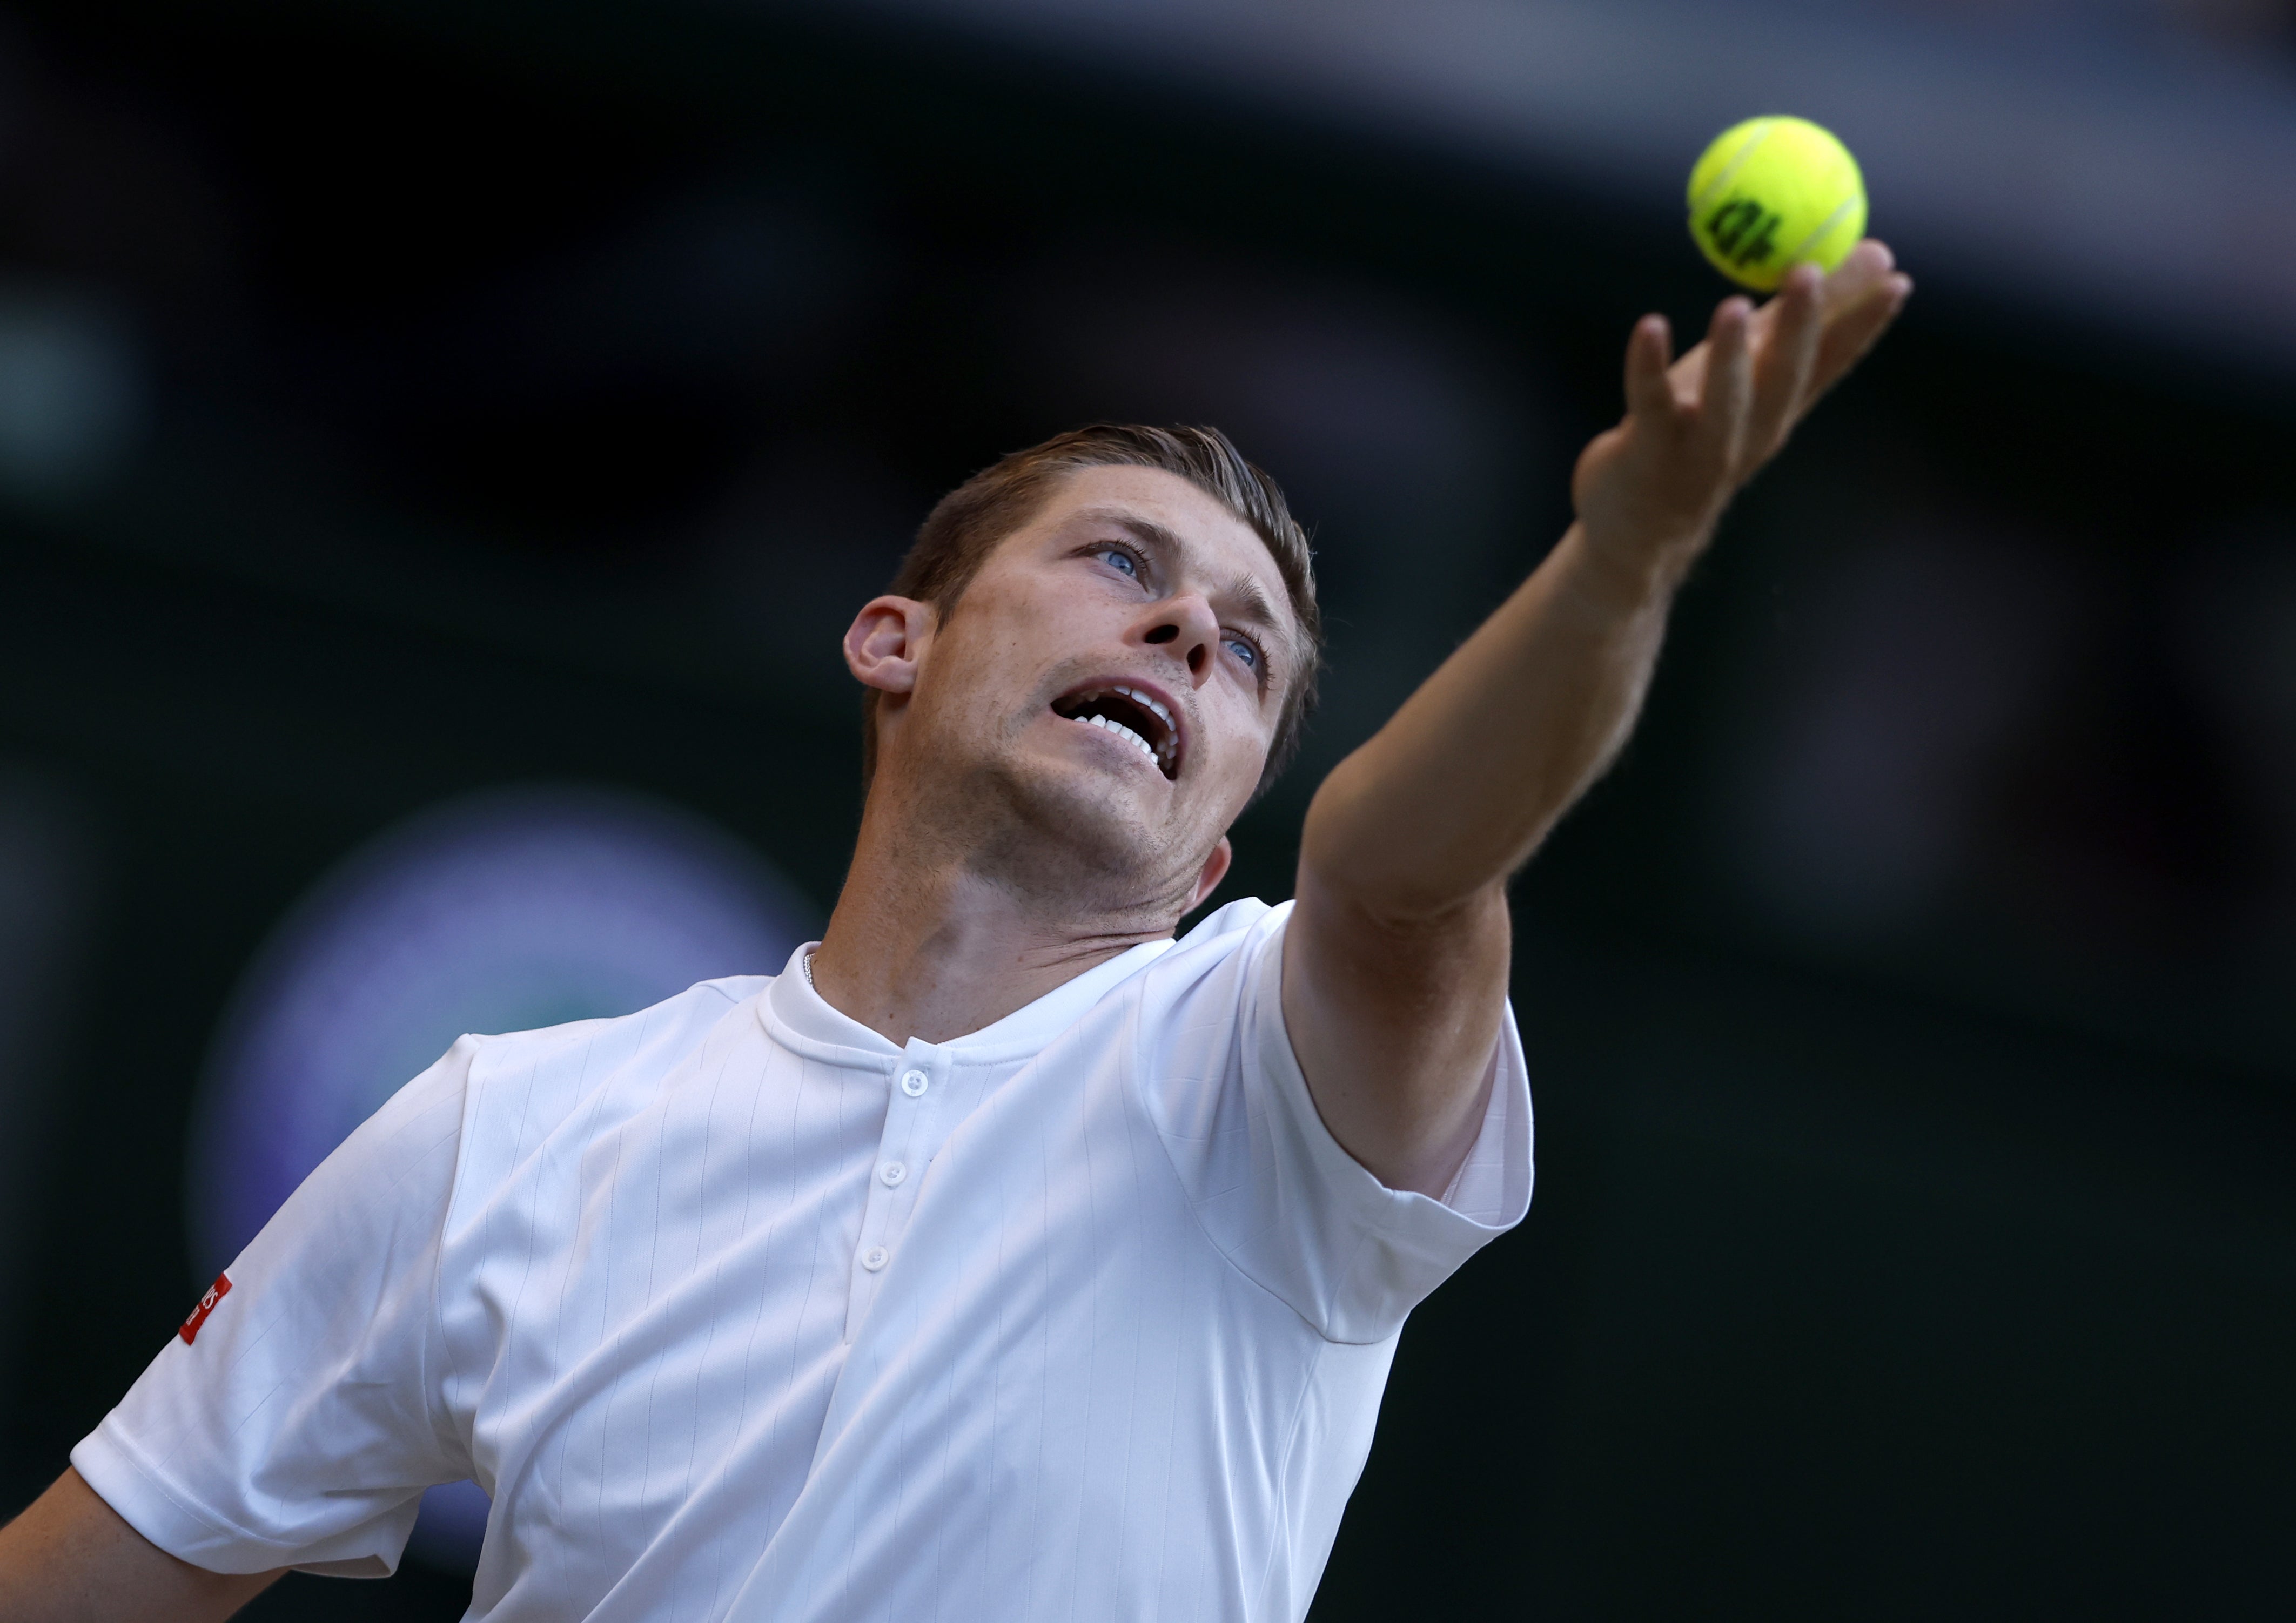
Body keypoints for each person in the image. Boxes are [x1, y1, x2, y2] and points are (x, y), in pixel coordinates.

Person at [0, 247, 1909, 1623]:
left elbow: (1402, 876)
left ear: (1215, 836)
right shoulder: (504, 1122)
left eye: (1245, 650)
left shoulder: (1265, 1073)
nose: (1183, 632)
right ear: (891, 639)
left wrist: (1624, 559)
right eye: (1119, 565)